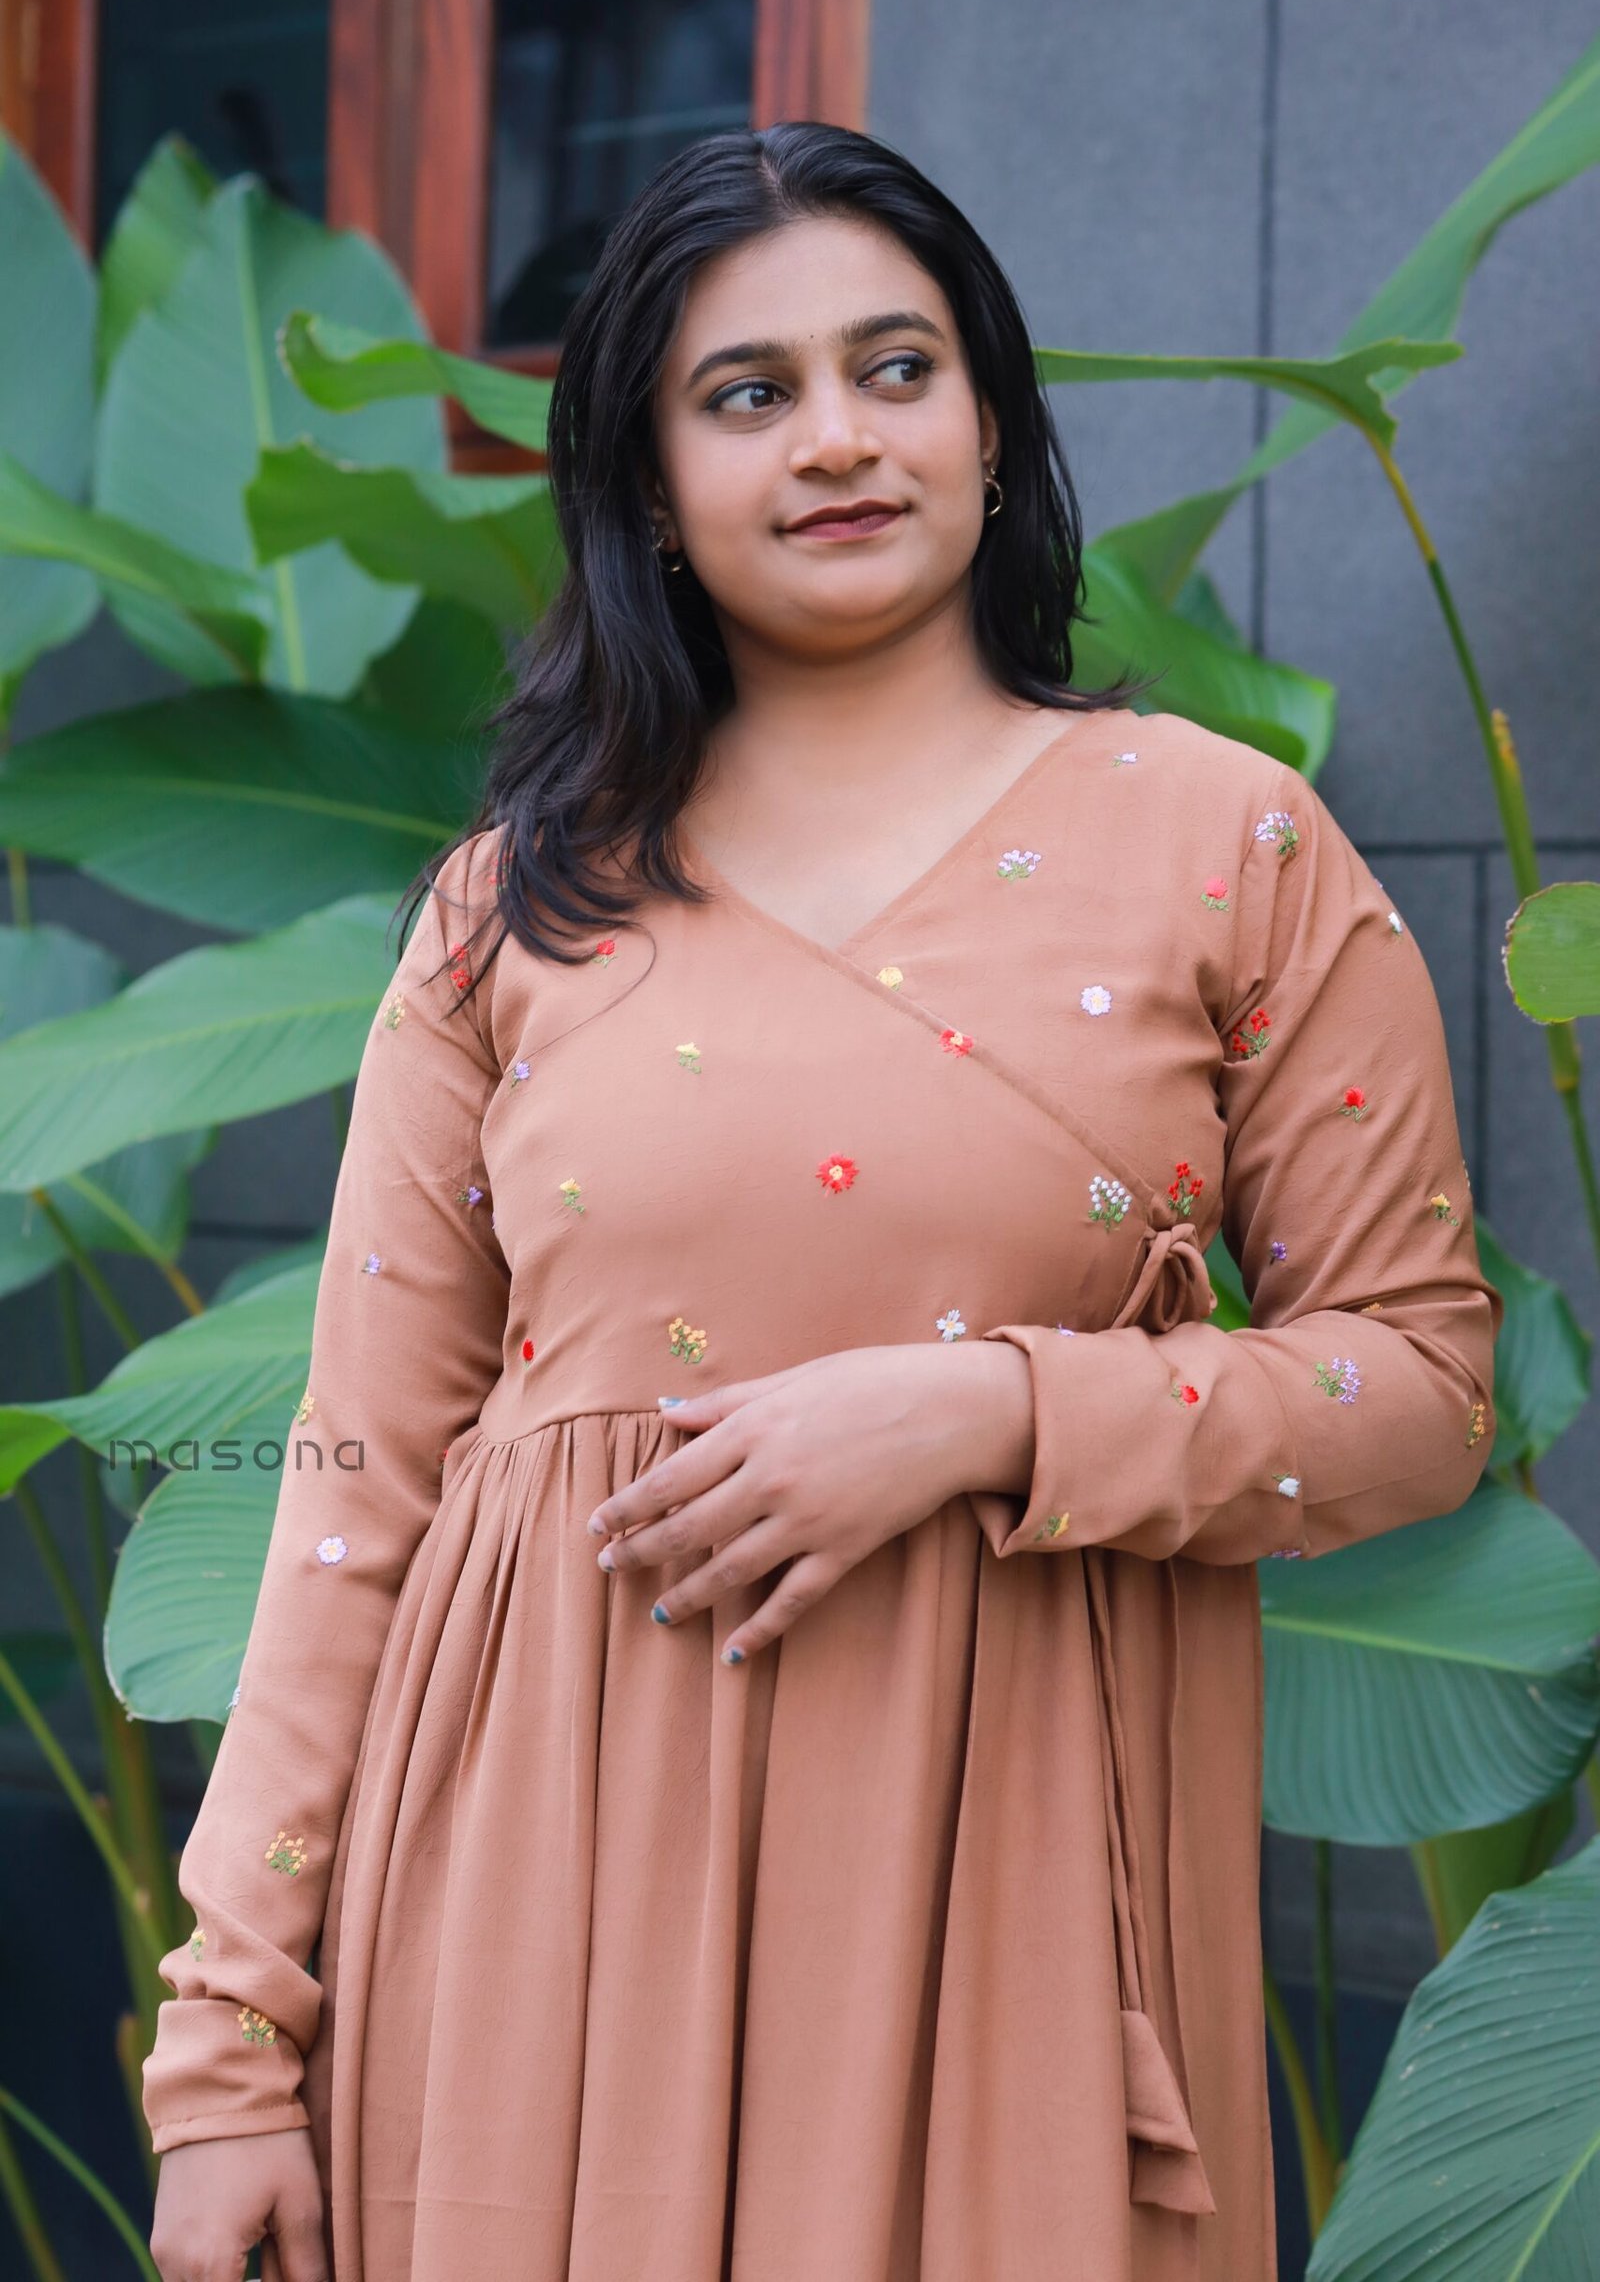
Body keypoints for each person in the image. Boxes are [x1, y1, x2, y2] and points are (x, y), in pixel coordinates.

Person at [143, 120, 1501, 2282]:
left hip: (1007, 1920)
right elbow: (355, 1490)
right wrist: (225, 2050)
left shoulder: (1224, 844)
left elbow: (1418, 1393)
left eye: (896, 367)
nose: (837, 438)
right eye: (747, 392)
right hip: (530, 1932)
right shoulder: (510, 910)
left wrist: (994, 1414)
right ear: (648, 485)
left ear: (991, 422)